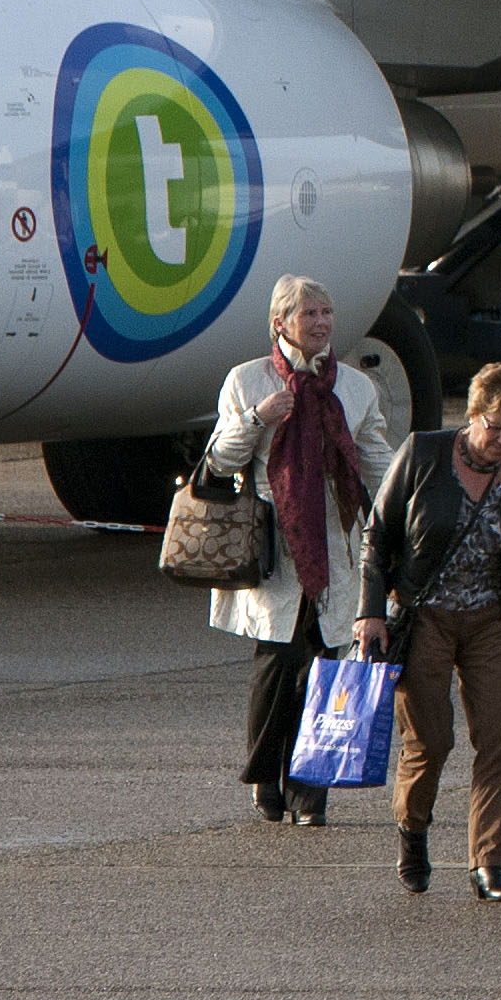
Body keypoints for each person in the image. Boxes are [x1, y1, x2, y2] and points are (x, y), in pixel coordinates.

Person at [357, 360, 501, 904]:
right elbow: (377, 539)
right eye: (495, 426)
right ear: (471, 415)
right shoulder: (424, 453)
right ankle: (413, 832)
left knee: (500, 743)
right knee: (430, 742)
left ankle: (489, 864)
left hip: (492, 623)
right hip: (424, 619)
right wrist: (370, 611)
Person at [197, 273, 402, 824]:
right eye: (308, 314)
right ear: (279, 323)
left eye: (327, 313)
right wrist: (259, 417)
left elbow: (376, 459)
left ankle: (311, 792)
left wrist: (402, 507)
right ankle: (266, 778)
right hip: (275, 541)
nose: (320, 323)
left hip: (335, 542)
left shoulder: (355, 387)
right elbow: (219, 463)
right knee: (278, 660)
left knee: (326, 663)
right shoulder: (247, 380)